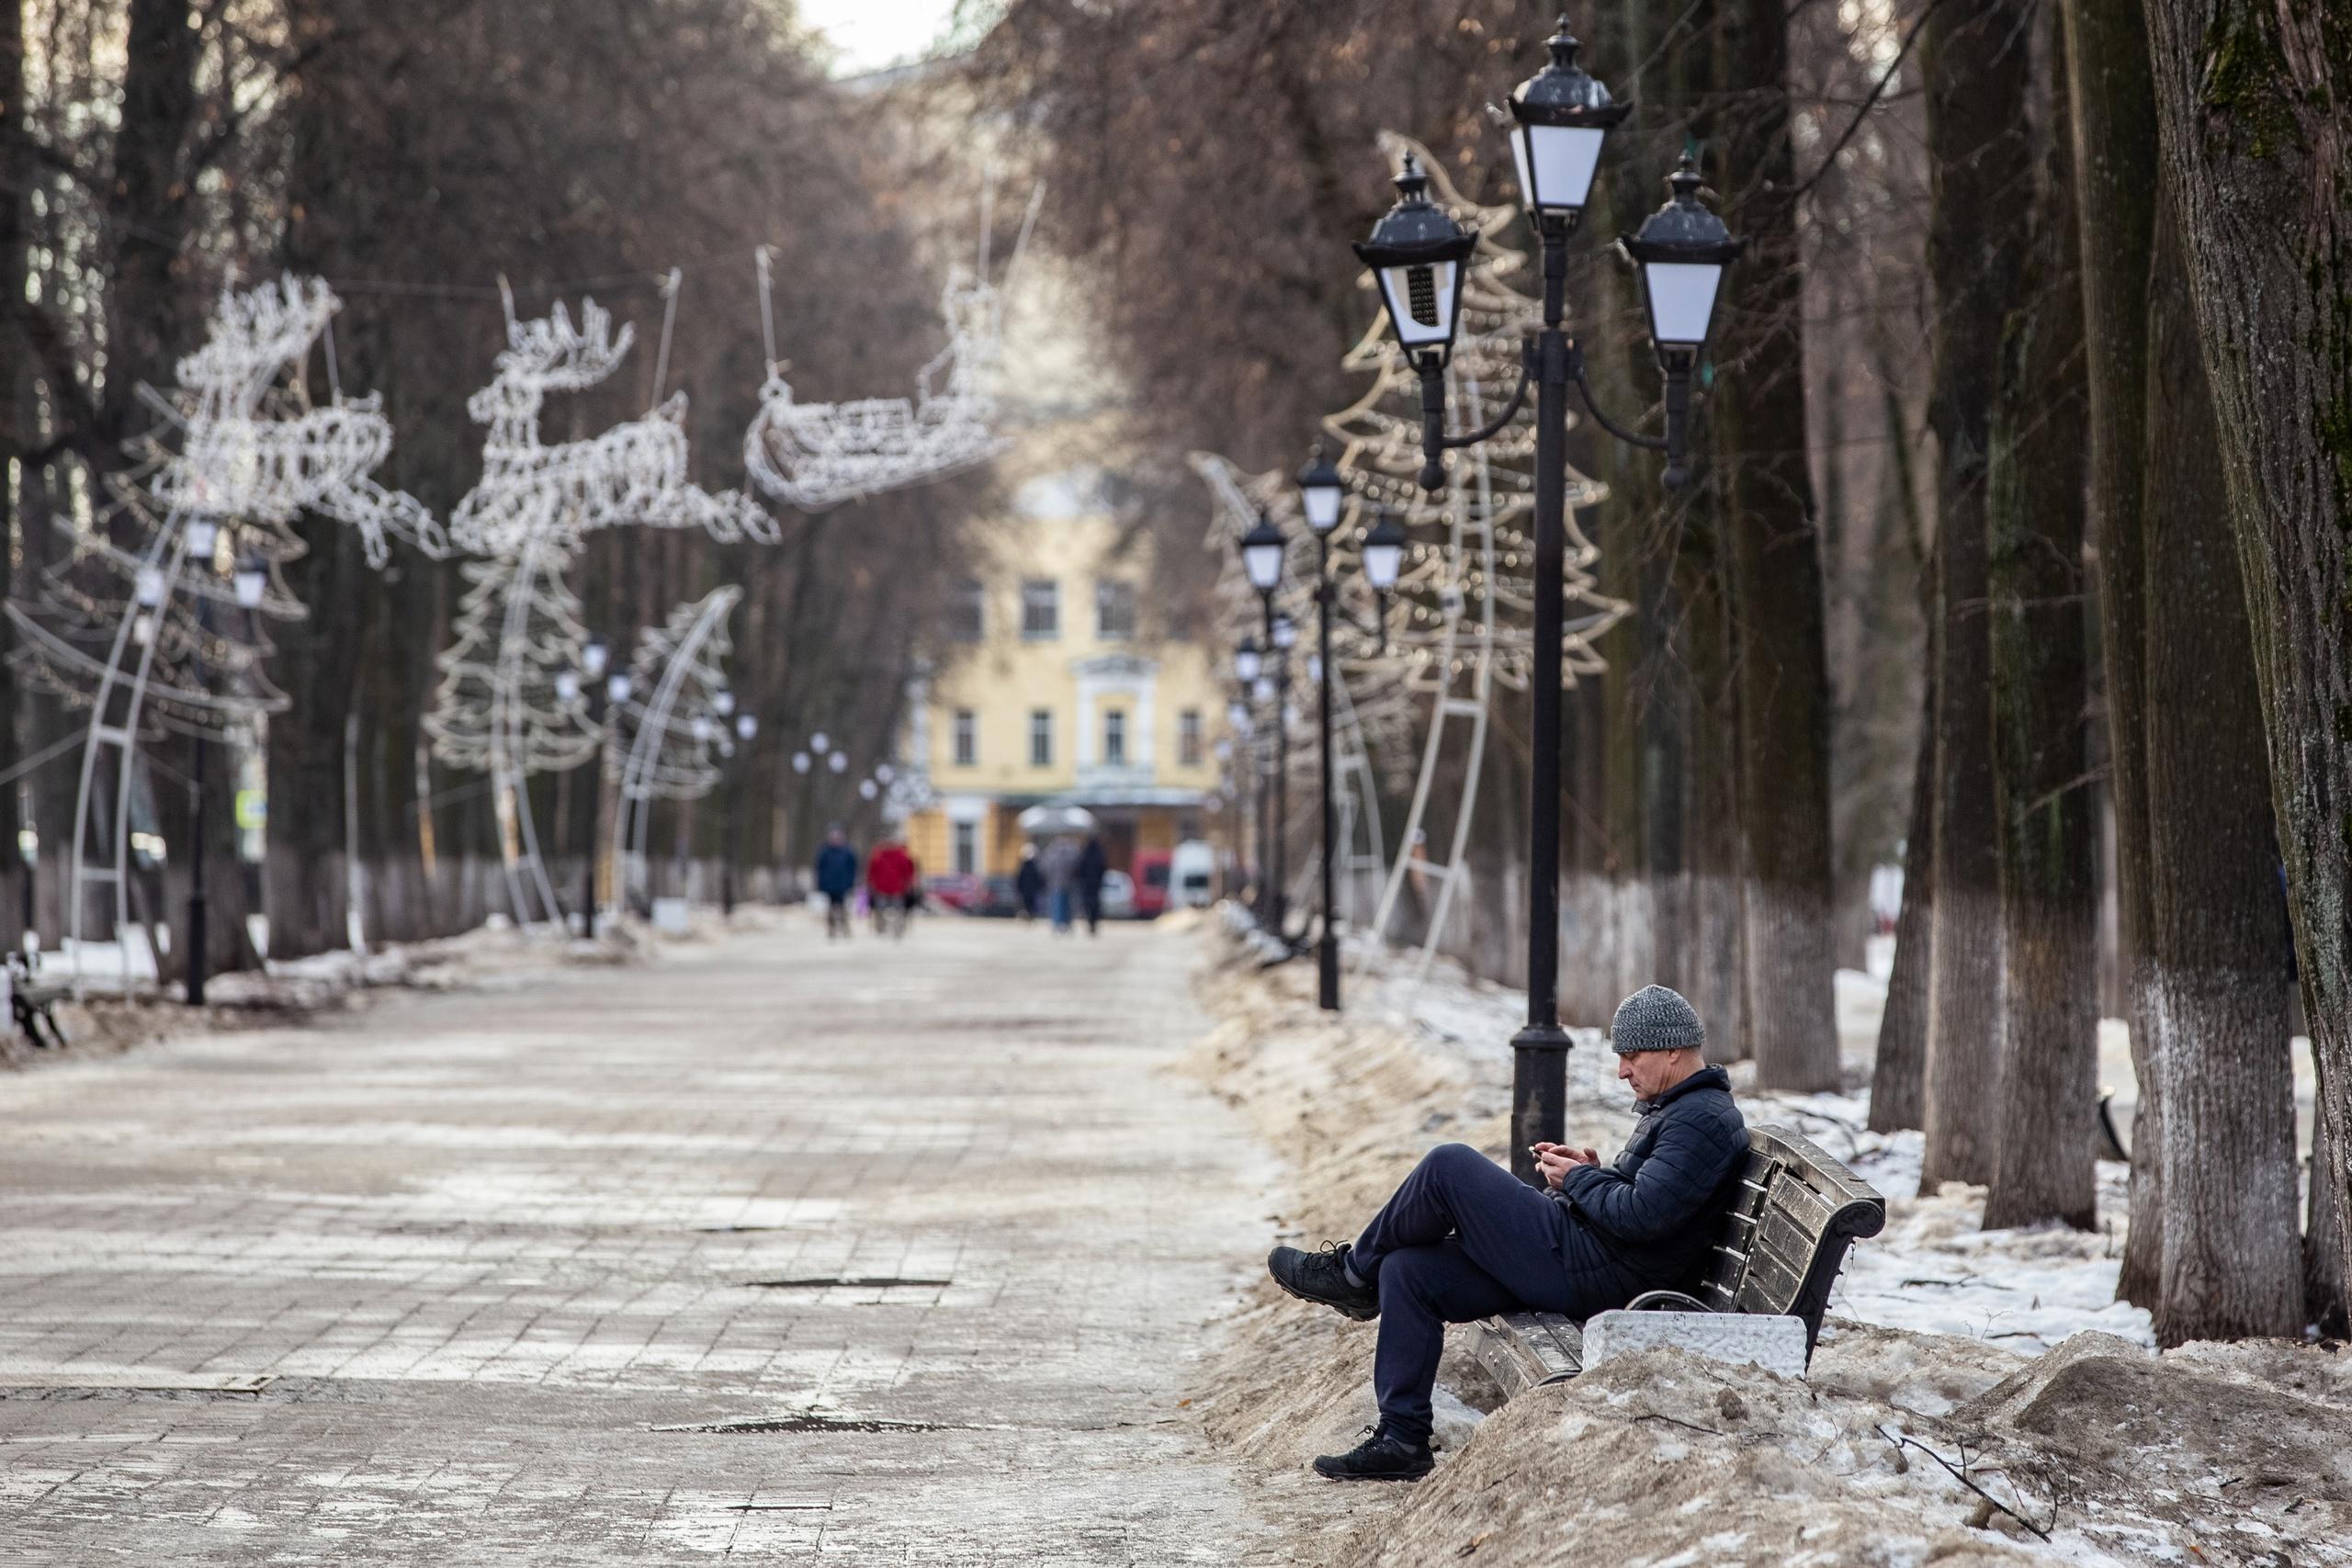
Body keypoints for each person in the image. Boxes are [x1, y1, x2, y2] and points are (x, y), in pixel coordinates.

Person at [1264, 985, 1746, 1483]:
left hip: (1598, 1275)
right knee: (1409, 1270)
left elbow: (1643, 1216)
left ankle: (1349, 1275)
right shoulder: (1682, 1110)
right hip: (1591, 1258)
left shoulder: (1700, 1119)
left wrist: (1577, 1181)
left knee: (1449, 1166)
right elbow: (1649, 1201)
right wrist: (1592, 1173)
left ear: (1673, 1049)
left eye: (1631, 1056)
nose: (1622, 1070)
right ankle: (1402, 1439)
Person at [813, 825, 859, 940]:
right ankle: (831, 929)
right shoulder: (825, 852)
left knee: (843, 908)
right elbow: (819, 868)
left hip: (843, 885)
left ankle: (845, 928)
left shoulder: (848, 851)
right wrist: (820, 883)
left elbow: (853, 868)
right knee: (830, 908)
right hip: (829, 885)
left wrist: (851, 882)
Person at [865, 839, 916, 937]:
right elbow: (872, 872)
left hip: (893, 889)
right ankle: (887, 929)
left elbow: (907, 872)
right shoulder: (881, 856)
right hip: (888, 888)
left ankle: (891, 929)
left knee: (889, 910)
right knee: (889, 910)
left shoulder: (880, 856)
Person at [1040, 835, 1080, 933]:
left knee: (1057, 905)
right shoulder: (1072, 853)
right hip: (1067, 883)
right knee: (1067, 905)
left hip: (1056, 883)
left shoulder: (1051, 853)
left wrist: (1049, 878)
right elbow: (1077, 867)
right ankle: (1066, 923)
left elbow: (1044, 867)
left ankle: (1057, 923)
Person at [1076, 834, 1108, 936]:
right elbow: (1103, 869)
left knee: (1087, 905)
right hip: (1096, 885)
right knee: (1095, 905)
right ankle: (1093, 923)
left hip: (1086, 885)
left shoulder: (1085, 855)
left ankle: (1090, 922)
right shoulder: (1099, 855)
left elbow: (1080, 870)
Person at [1015, 846, 1045, 920]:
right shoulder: (1034, 866)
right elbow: (1038, 878)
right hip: (1031, 890)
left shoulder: (1023, 866)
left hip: (1026, 889)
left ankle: (1029, 915)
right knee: (1031, 904)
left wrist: (1018, 888)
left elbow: (1019, 879)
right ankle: (1030, 915)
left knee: (1027, 904)